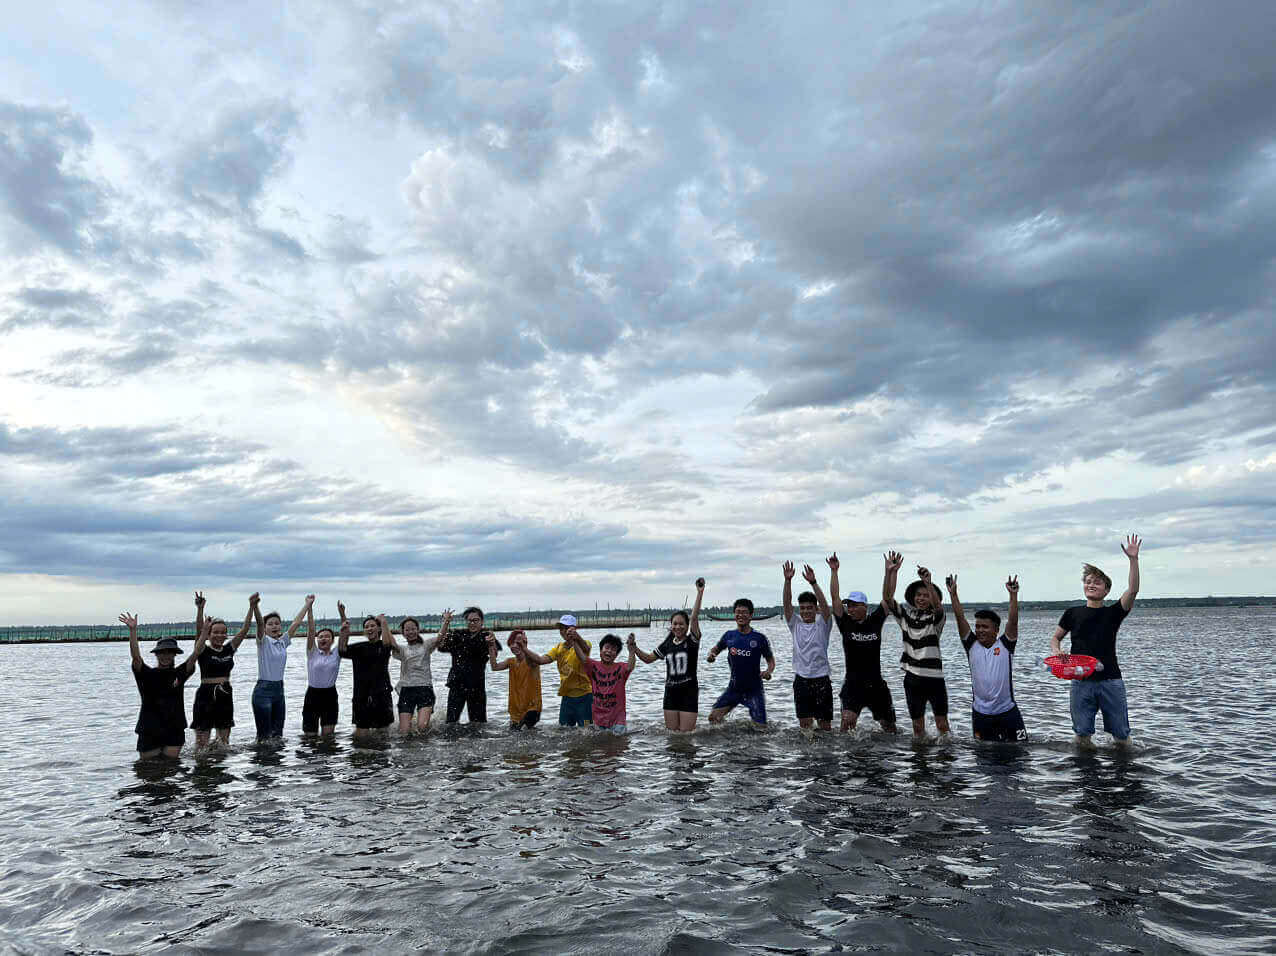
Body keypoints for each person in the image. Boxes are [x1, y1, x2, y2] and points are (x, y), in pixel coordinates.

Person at [1050, 534, 1142, 748]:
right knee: (1082, 736)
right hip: (1081, 682)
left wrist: (1133, 560)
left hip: (1111, 680)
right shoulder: (1072, 613)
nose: (1091, 584)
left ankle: (1124, 771)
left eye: (1097, 582)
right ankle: (1085, 775)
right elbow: (1055, 638)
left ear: (1106, 590)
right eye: (1088, 581)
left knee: (1121, 736)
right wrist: (1057, 651)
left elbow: (1133, 590)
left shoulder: (1114, 613)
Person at [947, 573, 1026, 742]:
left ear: (996, 630)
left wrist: (1013, 596)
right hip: (981, 714)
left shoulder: (1006, 645)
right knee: (983, 759)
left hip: (1008, 713)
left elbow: (1013, 622)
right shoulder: (971, 646)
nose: (980, 630)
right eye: (977, 626)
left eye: (985, 627)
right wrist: (953, 594)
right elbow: (960, 617)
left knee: (1019, 757)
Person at [828, 552, 898, 734]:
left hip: (877, 685)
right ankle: (845, 756)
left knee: (890, 728)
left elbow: (888, 598)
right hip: (853, 685)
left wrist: (889, 572)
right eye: (848, 606)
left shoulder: (875, 620)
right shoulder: (845, 623)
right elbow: (835, 598)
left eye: (854, 605)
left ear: (864, 607)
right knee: (847, 723)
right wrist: (834, 571)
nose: (850, 609)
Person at [884, 556, 951, 740]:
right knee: (918, 729)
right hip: (912, 679)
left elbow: (938, 608)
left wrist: (928, 582)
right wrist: (891, 572)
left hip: (935, 680)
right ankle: (920, 763)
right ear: (913, 598)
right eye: (919, 595)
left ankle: (946, 761)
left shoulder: (936, 620)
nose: (922, 598)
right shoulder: (906, 617)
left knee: (942, 726)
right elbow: (887, 599)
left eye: (926, 595)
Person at [124, 611, 203, 758]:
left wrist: (204, 633)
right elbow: (136, 657)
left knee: (171, 769)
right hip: (149, 727)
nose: (166, 656)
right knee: (148, 770)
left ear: (175, 655)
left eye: (170, 652)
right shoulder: (146, 674)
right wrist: (133, 631)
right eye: (162, 652)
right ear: (156, 654)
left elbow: (196, 654)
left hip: (174, 727)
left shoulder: (180, 673)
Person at [632, 577, 705, 731]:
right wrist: (634, 648)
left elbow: (694, 618)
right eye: (675, 624)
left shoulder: (692, 641)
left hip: (689, 693)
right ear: (671, 626)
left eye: (681, 624)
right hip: (670, 693)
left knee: (685, 737)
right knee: (673, 737)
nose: (677, 627)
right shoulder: (668, 643)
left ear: (686, 626)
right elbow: (648, 659)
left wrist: (699, 592)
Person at [190, 591, 257, 749]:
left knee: (223, 743)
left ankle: (220, 769)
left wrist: (251, 607)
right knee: (202, 744)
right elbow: (199, 631)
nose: (219, 635)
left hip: (225, 694)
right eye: (215, 632)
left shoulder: (229, 649)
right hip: (205, 694)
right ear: (209, 635)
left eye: (223, 632)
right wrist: (200, 609)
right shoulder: (203, 650)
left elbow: (245, 630)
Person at [706, 598, 775, 727]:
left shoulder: (759, 638)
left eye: (744, 612)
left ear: (751, 615)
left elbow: (770, 660)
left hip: (754, 689)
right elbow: (716, 649)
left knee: (761, 729)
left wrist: (768, 671)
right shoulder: (729, 635)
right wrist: (712, 655)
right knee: (713, 718)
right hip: (733, 688)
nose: (740, 615)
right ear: (734, 614)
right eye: (738, 612)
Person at [251, 596, 311, 741]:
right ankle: (262, 762)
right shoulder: (263, 642)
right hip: (263, 692)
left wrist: (307, 604)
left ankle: (277, 763)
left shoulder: (283, 642)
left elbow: (296, 623)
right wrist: (255, 606)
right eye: (270, 624)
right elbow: (259, 624)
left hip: (279, 691)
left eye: (277, 623)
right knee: (264, 737)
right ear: (265, 628)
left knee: (278, 736)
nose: (274, 626)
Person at [783, 561, 834, 731]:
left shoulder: (823, 624)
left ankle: (826, 756)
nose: (805, 611)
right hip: (801, 680)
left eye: (809, 608)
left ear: (815, 609)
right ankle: (806, 756)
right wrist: (788, 581)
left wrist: (813, 583)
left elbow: (826, 607)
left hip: (822, 680)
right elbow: (787, 603)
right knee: (805, 726)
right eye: (802, 608)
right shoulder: (795, 624)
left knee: (825, 725)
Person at [338, 604, 394, 739]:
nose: (369, 629)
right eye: (367, 627)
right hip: (361, 696)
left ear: (379, 629)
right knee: (360, 736)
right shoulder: (359, 648)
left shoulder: (383, 646)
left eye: (373, 626)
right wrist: (343, 621)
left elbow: (388, 644)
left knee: (383, 735)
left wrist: (384, 622)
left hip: (382, 694)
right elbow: (342, 650)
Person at [564, 631, 637, 734]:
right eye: (606, 648)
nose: (609, 651)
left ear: (616, 655)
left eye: (613, 649)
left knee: (618, 747)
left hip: (618, 719)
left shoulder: (620, 668)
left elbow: (630, 666)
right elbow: (582, 657)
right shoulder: (593, 666)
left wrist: (631, 650)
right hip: (598, 718)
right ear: (600, 650)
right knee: (600, 748)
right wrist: (574, 641)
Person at [381, 611, 441, 734]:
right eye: (407, 630)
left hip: (425, 689)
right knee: (404, 731)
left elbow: (440, 637)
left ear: (418, 630)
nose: (410, 632)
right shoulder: (402, 650)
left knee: (422, 727)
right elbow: (391, 642)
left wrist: (446, 621)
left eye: (413, 629)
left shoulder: (426, 645)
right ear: (403, 633)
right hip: (406, 690)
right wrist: (384, 624)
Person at [437, 606, 497, 724]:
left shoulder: (486, 636)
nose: (472, 623)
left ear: (482, 621)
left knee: (478, 725)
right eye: (470, 620)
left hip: (477, 686)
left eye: (476, 620)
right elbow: (440, 645)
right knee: (451, 723)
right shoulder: (457, 636)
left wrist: (492, 643)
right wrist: (446, 622)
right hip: (456, 684)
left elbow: (494, 656)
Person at [488, 628, 551, 729]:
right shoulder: (510, 662)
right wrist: (491, 646)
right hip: (515, 711)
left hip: (532, 709)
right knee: (515, 736)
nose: (514, 646)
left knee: (523, 732)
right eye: (511, 644)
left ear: (523, 643)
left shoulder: (531, 661)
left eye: (517, 643)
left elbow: (536, 660)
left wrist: (525, 647)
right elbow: (494, 667)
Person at [546, 614, 594, 727]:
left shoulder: (585, 643)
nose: (563, 631)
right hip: (567, 697)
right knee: (564, 729)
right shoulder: (558, 648)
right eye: (561, 628)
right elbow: (541, 659)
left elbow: (586, 649)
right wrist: (524, 649)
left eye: (566, 628)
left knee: (587, 729)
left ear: (574, 629)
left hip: (584, 696)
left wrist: (576, 637)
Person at [302, 602, 341, 737]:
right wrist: (309, 607)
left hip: (330, 695)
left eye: (327, 636)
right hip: (312, 695)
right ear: (317, 640)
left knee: (328, 738)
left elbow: (345, 633)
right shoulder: (312, 652)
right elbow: (311, 629)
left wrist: (342, 614)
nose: (323, 638)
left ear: (332, 640)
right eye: (321, 637)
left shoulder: (336, 653)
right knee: (310, 737)